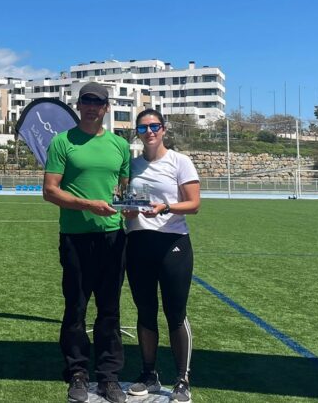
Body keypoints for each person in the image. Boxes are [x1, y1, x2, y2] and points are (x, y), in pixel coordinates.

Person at [41, 82, 131, 403]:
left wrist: (131, 206)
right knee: (75, 308)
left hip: (112, 236)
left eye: (98, 102)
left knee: (110, 310)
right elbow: (50, 190)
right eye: (86, 101)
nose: (92, 107)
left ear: (106, 108)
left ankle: (108, 377)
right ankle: (77, 373)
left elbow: (123, 190)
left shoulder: (120, 145)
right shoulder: (62, 142)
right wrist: (88, 204)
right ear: (78, 105)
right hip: (75, 238)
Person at [122, 109, 199, 403]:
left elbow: (193, 204)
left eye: (154, 126)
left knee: (175, 313)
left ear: (164, 129)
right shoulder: (132, 165)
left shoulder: (180, 161)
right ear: (137, 133)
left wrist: (164, 208)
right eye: (143, 128)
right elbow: (125, 200)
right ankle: (149, 374)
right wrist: (127, 210)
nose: (149, 132)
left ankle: (182, 378)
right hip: (138, 242)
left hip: (173, 244)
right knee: (145, 312)